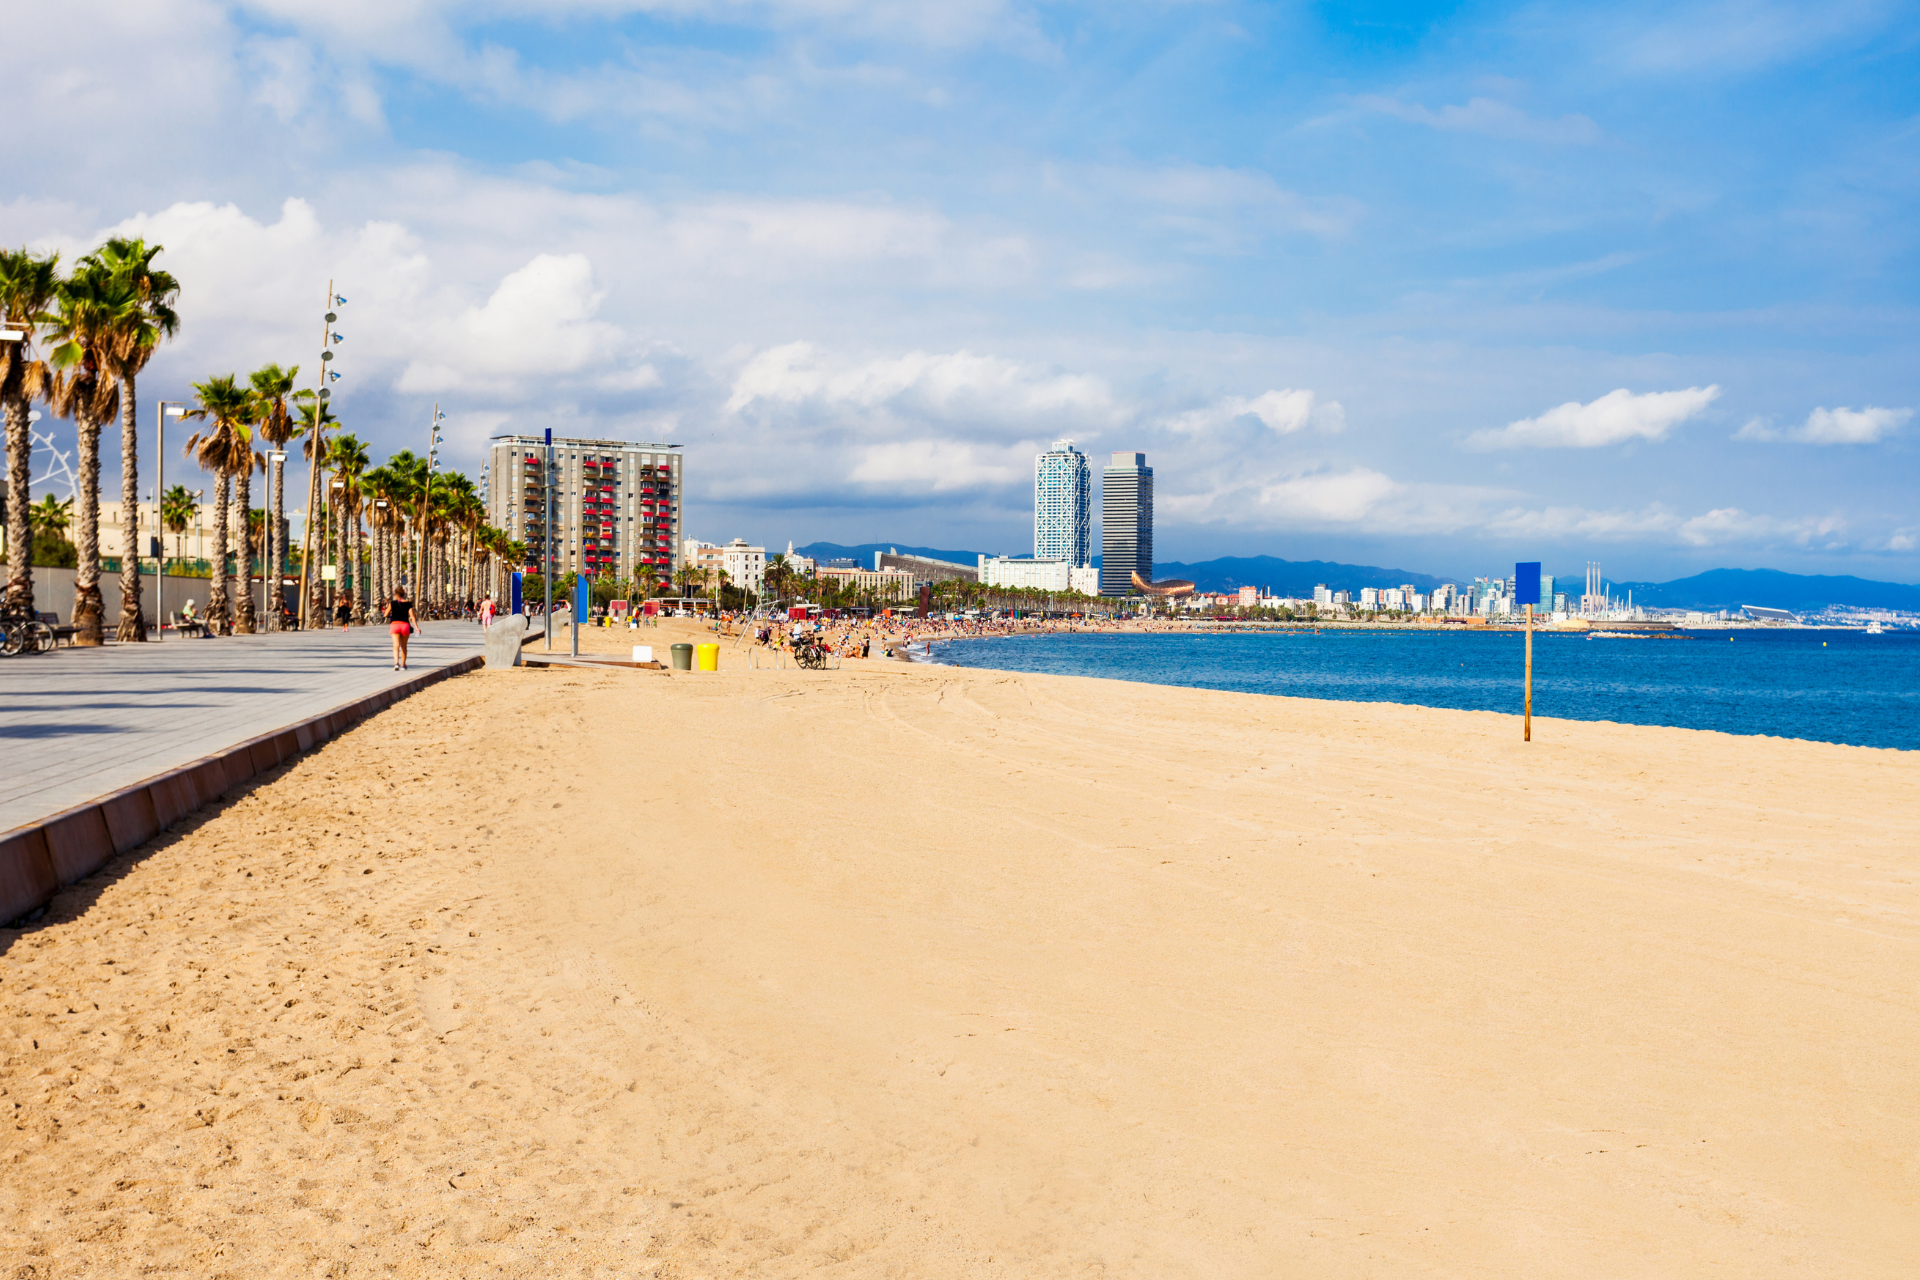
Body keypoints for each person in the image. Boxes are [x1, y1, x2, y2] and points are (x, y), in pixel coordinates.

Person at [385, 586, 415, 670]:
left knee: (396, 645)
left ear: (396, 594)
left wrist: (390, 612)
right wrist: (416, 627)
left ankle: (396, 663)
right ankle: (403, 664)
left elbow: (385, 614)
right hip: (405, 625)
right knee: (404, 646)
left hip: (395, 625)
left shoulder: (392, 603)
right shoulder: (408, 604)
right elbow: (412, 616)